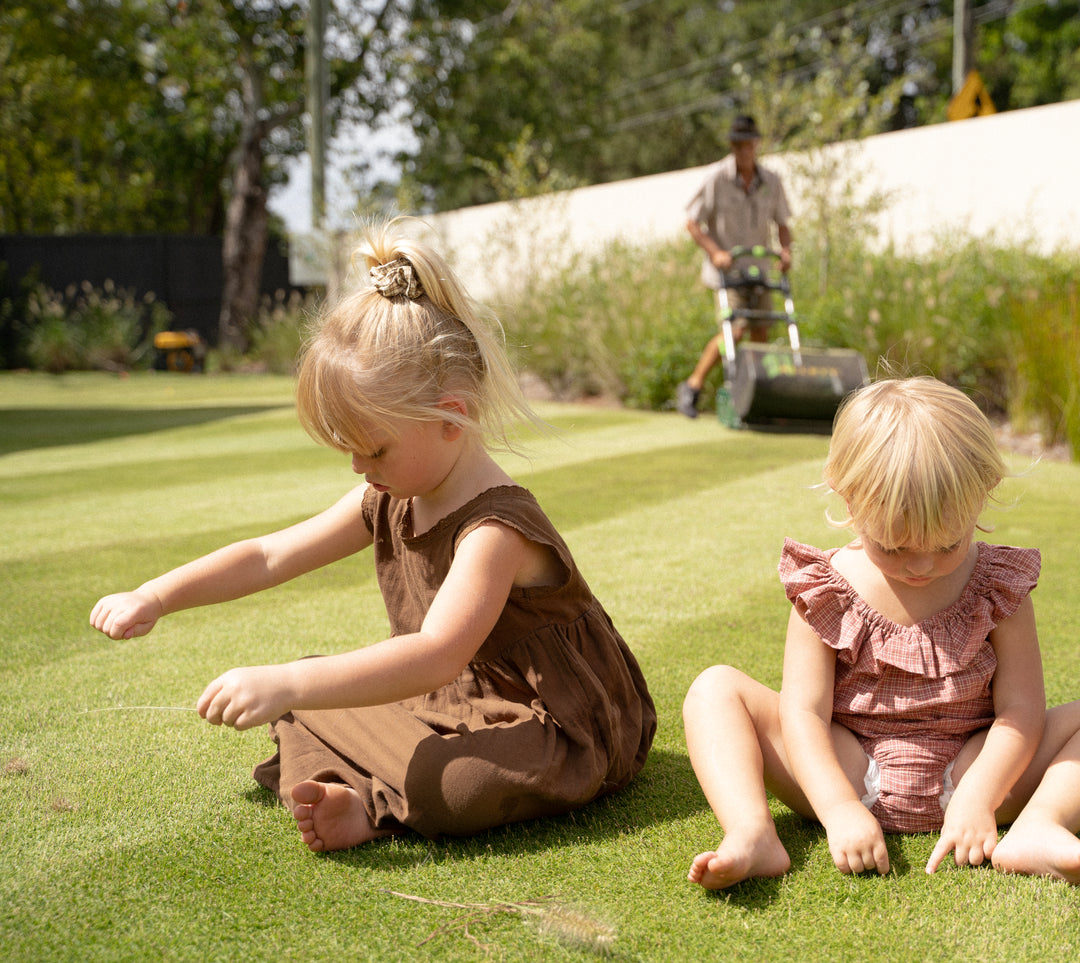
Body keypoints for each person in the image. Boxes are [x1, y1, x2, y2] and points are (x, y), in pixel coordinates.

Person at [90, 220, 657, 853]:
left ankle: (369, 795)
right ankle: (351, 797)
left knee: (450, 779)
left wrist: (289, 684)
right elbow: (269, 555)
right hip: (448, 705)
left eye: (375, 449)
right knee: (306, 689)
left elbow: (437, 654)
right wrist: (156, 595)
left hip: (556, 728)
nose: (360, 467)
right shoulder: (389, 496)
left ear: (451, 417)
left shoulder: (494, 530)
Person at [683, 376, 1080, 889]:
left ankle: (1039, 826)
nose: (921, 566)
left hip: (976, 772)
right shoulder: (825, 587)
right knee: (714, 690)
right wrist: (838, 807)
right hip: (848, 770)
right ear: (847, 497)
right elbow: (804, 714)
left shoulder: (998, 585)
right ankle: (752, 831)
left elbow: (1021, 711)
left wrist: (979, 796)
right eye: (894, 547)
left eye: (946, 545)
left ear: (984, 493)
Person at [675, 114, 793, 418]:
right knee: (735, 331)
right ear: (732, 146)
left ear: (756, 145)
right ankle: (693, 385)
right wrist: (716, 252)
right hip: (728, 272)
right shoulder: (717, 179)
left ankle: (756, 394)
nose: (743, 151)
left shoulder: (772, 181)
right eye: (738, 146)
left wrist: (785, 251)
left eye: (748, 145)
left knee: (761, 331)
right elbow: (692, 222)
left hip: (760, 269)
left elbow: (782, 222)